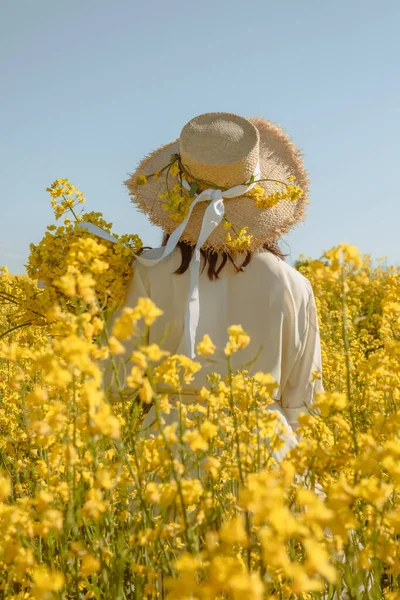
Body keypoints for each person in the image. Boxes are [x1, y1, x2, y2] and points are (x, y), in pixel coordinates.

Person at [111, 111, 324, 453]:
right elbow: (305, 400)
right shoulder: (293, 283)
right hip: (266, 451)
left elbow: (115, 383)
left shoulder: (147, 270)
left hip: (170, 452)